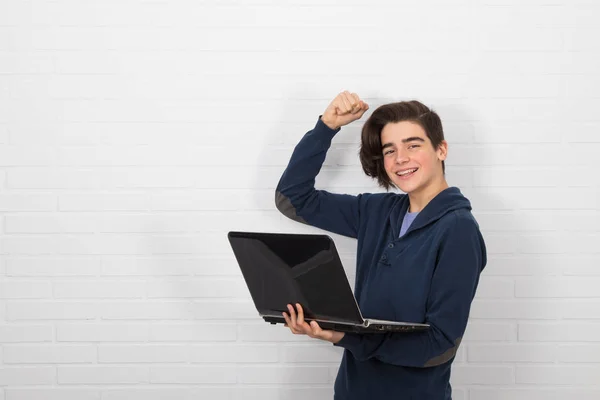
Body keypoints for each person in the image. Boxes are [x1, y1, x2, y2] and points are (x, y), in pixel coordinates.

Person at [274, 91, 487, 400]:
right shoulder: (377, 211)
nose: (400, 158)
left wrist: (345, 336)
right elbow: (292, 199)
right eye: (390, 150)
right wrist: (327, 126)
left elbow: (439, 347)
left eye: (413, 145)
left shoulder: (458, 230)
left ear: (441, 149)